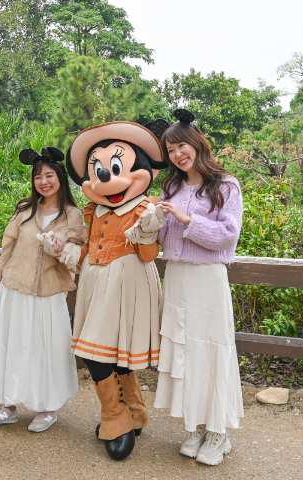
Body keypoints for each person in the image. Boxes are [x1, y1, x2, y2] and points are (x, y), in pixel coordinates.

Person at [65, 120, 168, 460]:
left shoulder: (144, 209)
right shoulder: (95, 210)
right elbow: (91, 246)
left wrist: (148, 233)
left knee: (97, 353)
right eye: (98, 169)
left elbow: (149, 255)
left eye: (115, 166)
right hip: (96, 283)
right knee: (107, 351)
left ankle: (115, 417)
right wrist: (68, 251)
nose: (105, 176)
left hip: (127, 282)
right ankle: (133, 411)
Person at [153, 109, 244, 466]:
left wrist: (187, 219)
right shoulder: (171, 187)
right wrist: (153, 219)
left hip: (207, 278)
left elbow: (228, 236)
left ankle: (219, 431)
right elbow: (163, 238)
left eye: (182, 146)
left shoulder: (226, 184)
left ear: (197, 143)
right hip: (176, 278)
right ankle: (194, 425)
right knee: (186, 351)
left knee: (212, 351)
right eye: (170, 149)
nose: (177, 154)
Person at [0, 146, 87, 433]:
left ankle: (47, 408)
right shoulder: (25, 210)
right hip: (14, 287)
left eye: (49, 175)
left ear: (60, 177)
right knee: (10, 346)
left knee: (46, 349)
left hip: (49, 294)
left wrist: (61, 244)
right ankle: (7, 406)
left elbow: (78, 251)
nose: (43, 181)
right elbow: (8, 246)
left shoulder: (73, 215)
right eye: (38, 176)